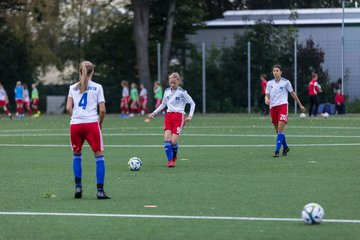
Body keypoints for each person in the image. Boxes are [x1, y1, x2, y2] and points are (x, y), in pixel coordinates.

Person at [66, 61, 110, 200]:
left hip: (76, 125)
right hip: (91, 124)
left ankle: (78, 187)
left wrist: (76, 117)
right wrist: (100, 123)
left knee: (76, 155)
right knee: (99, 156)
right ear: (93, 72)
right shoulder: (97, 87)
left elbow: (68, 108)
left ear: (80, 71)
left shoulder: (73, 87)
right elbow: (102, 110)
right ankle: (100, 191)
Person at [149, 72, 195, 167]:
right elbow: (163, 104)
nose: (172, 84)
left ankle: (174, 157)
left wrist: (190, 116)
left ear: (178, 81)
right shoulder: (166, 91)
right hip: (169, 116)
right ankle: (170, 161)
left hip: (179, 117)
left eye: (174, 82)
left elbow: (192, 103)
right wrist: (154, 112)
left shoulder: (182, 92)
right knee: (166, 139)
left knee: (173, 142)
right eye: (171, 82)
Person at [265, 65, 306, 158]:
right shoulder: (269, 83)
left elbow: (293, 93)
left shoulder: (286, 82)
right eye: (274, 71)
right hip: (273, 108)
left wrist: (300, 105)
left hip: (283, 106)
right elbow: (266, 95)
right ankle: (285, 147)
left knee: (280, 129)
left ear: (281, 72)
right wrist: (266, 99)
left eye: (277, 70)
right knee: (278, 130)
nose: (275, 72)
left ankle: (276, 151)